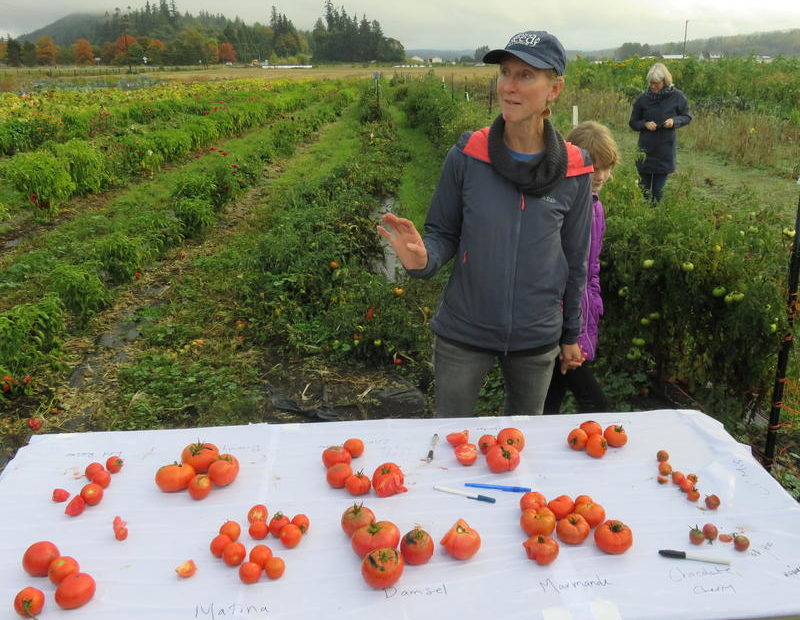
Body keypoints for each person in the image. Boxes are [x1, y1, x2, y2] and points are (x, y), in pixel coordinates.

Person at [377, 30, 593, 417]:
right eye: (505, 73)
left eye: (525, 75)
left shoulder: (575, 171)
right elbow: (443, 233)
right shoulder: (468, 155)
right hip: (464, 333)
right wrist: (423, 259)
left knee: (519, 445)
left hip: (536, 337)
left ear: (554, 89)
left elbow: (576, 261)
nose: (508, 86)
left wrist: (570, 334)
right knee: (450, 438)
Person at [543, 121, 619, 414]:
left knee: (551, 401)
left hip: (580, 321)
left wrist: (592, 313)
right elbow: (558, 273)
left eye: (607, 167)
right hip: (560, 325)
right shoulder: (561, 207)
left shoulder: (595, 206)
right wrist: (568, 335)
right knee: (596, 407)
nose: (601, 175)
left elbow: (591, 269)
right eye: (594, 167)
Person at [628, 62, 691, 203]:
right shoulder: (642, 99)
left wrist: (674, 121)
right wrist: (644, 124)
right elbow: (633, 122)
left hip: (664, 152)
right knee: (644, 191)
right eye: (651, 83)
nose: (652, 86)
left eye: (656, 83)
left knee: (657, 192)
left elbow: (687, 116)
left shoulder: (677, 97)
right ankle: (643, 217)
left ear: (665, 81)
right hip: (645, 152)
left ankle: (655, 218)